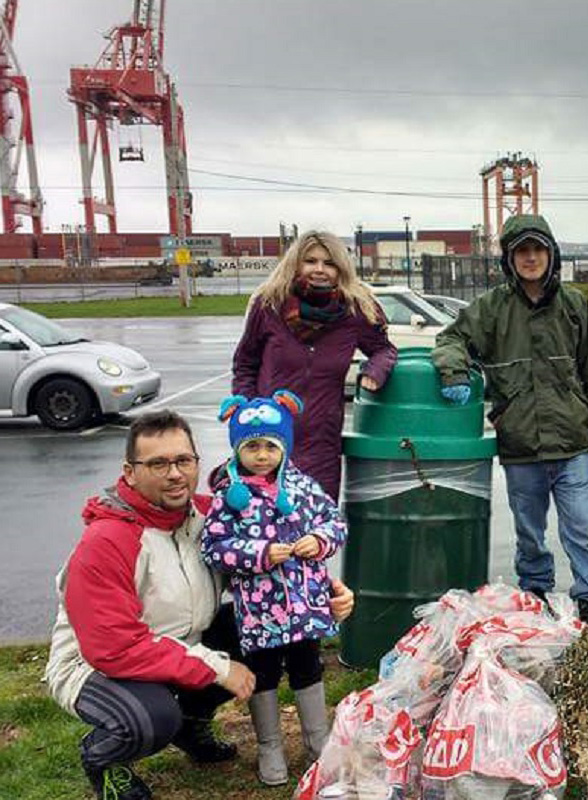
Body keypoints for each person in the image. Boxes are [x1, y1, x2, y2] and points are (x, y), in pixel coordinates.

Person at [43, 410, 356, 800]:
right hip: (97, 665)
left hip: (178, 643)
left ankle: (191, 724)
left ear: (197, 464)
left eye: (183, 461)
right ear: (129, 471)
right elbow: (115, 648)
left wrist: (326, 592)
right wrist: (218, 667)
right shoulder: (106, 542)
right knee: (152, 718)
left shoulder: (209, 515)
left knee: (261, 627)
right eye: (157, 463)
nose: (174, 474)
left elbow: (261, 569)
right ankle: (104, 758)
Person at [432, 214, 588, 624]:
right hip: (520, 444)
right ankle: (535, 594)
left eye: (538, 249)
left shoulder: (574, 305)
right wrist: (455, 372)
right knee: (530, 534)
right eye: (522, 251)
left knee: (584, 529)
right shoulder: (491, 308)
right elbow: (451, 338)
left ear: (552, 254)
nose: (531, 258)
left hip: (572, 443)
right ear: (509, 259)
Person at [200, 391, 347, 786]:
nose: (262, 455)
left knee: (308, 667)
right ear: (237, 448)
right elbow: (214, 548)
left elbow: (335, 524)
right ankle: (270, 745)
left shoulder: (303, 487)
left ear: (284, 446)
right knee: (264, 673)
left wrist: (319, 540)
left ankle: (319, 738)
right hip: (259, 612)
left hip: (305, 607)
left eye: (270, 445)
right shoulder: (229, 497)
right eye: (251, 446)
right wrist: (260, 553)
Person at [232, 230, 397, 501]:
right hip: (267, 442)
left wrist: (375, 370)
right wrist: (248, 409)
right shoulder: (269, 304)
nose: (320, 269)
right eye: (311, 261)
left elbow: (384, 349)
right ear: (296, 263)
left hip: (322, 443)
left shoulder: (356, 310)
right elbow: (245, 364)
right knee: (266, 528)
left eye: (329, 263)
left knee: (317, 529)